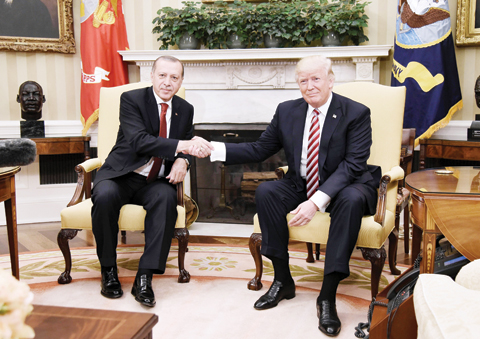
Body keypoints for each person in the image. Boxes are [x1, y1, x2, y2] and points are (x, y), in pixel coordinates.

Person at [194, 55, 381, 337]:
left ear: (330, 80)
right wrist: (214, 149)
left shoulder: (355, 112)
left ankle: (327, 296)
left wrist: (316, 201)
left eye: (316, 78)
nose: (309, 86)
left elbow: (353, 165)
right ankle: (283, 281)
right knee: (267, 190)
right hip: (301, 182)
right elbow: (259, 149)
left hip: (348, 184)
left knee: (351, 200)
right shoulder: (287, 111)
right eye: (303, 80)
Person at [91, 55, 213, 307]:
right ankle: (109, 271)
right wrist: (183, 147)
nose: (167, 82)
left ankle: (144, 277)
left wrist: (183, 161)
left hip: (156, 180)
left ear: (180, 82)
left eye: (174, 77)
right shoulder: (132, 100)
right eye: (162, 75)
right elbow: (140, 141)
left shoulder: (185, 109)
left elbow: (186, 143)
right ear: (152, 75)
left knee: (167, 199)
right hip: (121, 175)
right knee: (104, 196)